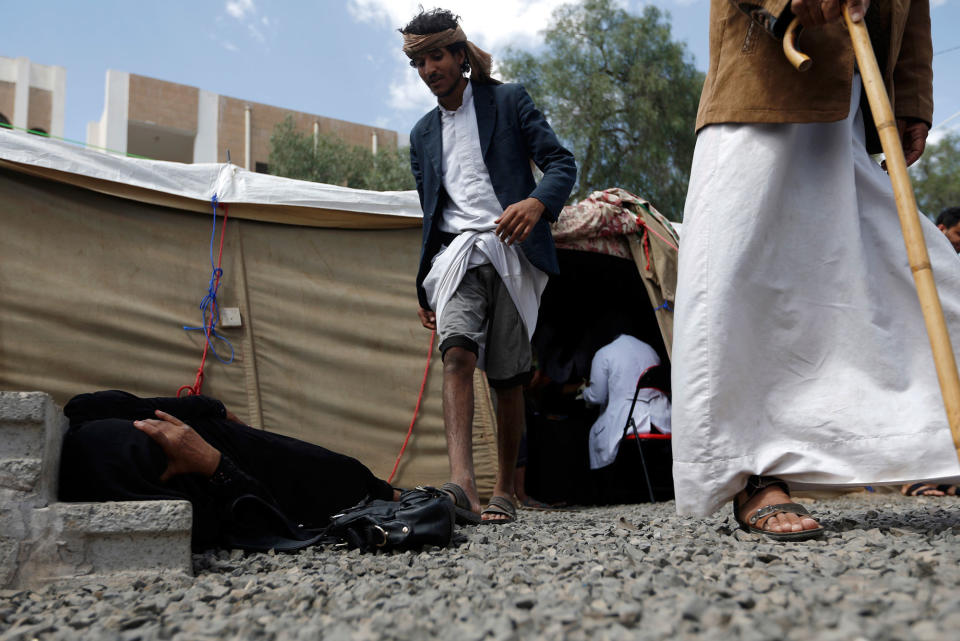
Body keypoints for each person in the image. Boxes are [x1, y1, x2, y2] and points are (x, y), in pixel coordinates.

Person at [672, 0, 960, 541]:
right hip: (760, 84)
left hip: (854, 101)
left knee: (905, 270)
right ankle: (753, 473)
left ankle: (936, 438)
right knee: (739, 281)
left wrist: (913, 95)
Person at [400, 8, 576, 524]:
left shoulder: (508, 100)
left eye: (437, 56)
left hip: (512, 252)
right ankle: (463, 486)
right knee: (456, 356)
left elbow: (561, 163)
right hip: (456, 256)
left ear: (459, 55)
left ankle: (504, 490)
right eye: (420, 62)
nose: (430, 69)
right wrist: (423, 286)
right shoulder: (421, 136)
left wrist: (536, 203)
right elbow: (431, 213)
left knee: (509, 376)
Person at [59, 390, 396, 550]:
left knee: (328, 467)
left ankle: (395, 495)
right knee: (330, 479)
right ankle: (395, 498)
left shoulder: (84, 424)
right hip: (220, 467)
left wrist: (210, 408)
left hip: (215, 438)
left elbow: (84, 405)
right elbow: (251, 521)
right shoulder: (143, 486)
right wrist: (213, 465)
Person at [583, 334, 673, 504]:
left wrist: (584, 392)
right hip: (661, 417)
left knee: (595, 432)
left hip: (628, 418)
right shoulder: (650, 350)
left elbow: (597, 396)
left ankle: (605, 494)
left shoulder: (605, 353)